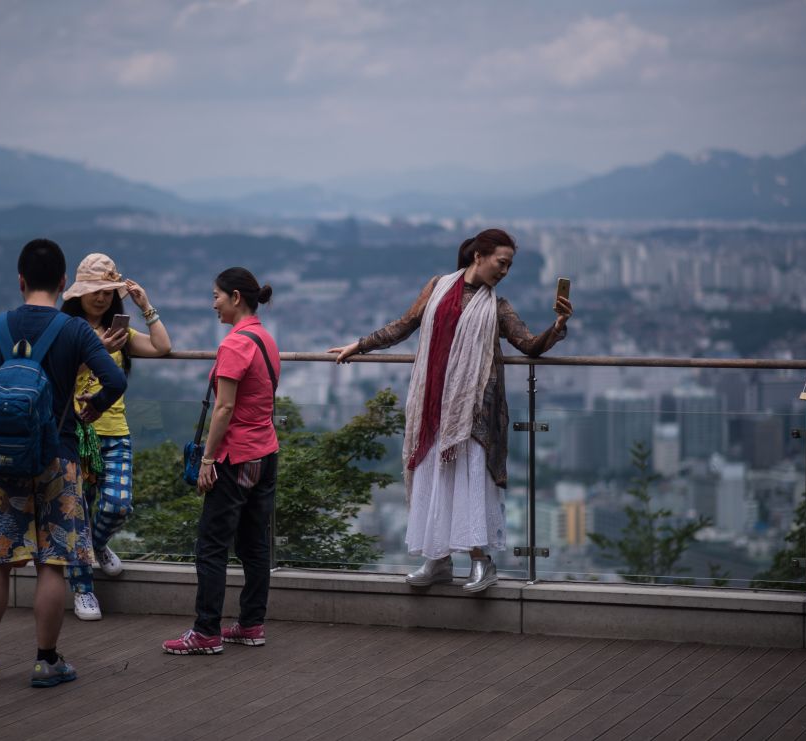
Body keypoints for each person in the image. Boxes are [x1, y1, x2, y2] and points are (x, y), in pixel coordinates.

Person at [0, 238, 126, 687]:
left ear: (19, 280)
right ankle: (47, 661)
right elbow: (114, 378)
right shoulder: (75, 331)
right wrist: (91, 406)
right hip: (59, 456)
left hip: (4, 462)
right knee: (52, 563)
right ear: (62, 283)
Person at [329, 229, 573, 591]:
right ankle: (438, 560)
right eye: (501, 263)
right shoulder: (438, 286)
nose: (504, 271)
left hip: (472, 411)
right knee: (434, 479)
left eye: (509, 266)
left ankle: (480, 561)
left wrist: (558, 326)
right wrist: (360, 345)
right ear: (479, 256)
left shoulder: (498, 307)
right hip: (432, 406)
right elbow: (405, 324)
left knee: (470, 481)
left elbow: (529, 345)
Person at [162, 267, 280, 655]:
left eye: (216, 296)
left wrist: (209, 459)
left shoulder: (233, 345)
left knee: (211, 544)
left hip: (235, 455)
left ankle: (206, 631)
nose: (213, 304)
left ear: (235, 297)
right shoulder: (266, 338)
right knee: (254, 543)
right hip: (265, 451)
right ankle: (251, 624)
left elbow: (224, 407)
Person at [60, 253, 171, 621]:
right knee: (74, 514)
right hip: (75, 434)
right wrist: (98, 352)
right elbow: (57, 375)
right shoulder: (67, 330)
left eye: (108, 290)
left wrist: (146, 306)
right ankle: (83, 591)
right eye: (95, 290)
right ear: (78, 293)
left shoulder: (120, 333)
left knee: (118, 504)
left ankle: (98, 545)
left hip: (115, 432)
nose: (102, 297)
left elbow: (161, 347)